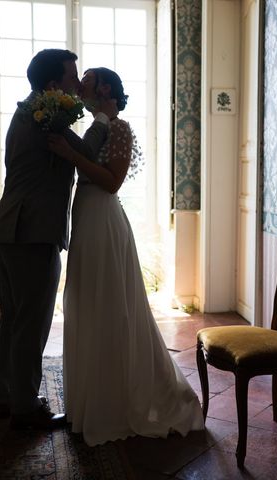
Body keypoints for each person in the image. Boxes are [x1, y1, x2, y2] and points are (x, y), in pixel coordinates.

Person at [46, 67, 205, 446]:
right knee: (85, 304)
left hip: (102, 217)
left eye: (87, 78)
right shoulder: (94, 127)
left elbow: (112, 180)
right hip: (86, 215)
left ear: (103, 89)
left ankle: (114, 405)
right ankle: (86, 404)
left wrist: (70, 155)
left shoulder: (118, 128)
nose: (80, 82)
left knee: (108, 305)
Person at [0, 49, 116, 430]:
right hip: (32, 232)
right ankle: (25, 411)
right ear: (52, 86)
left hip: (10, 228)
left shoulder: (29, 111)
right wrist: (104, 118)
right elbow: (88, 151)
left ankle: (9, 400)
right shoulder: (46, 118)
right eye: (72, 76)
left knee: (13, 321)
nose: (78, 84)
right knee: (31, 323)